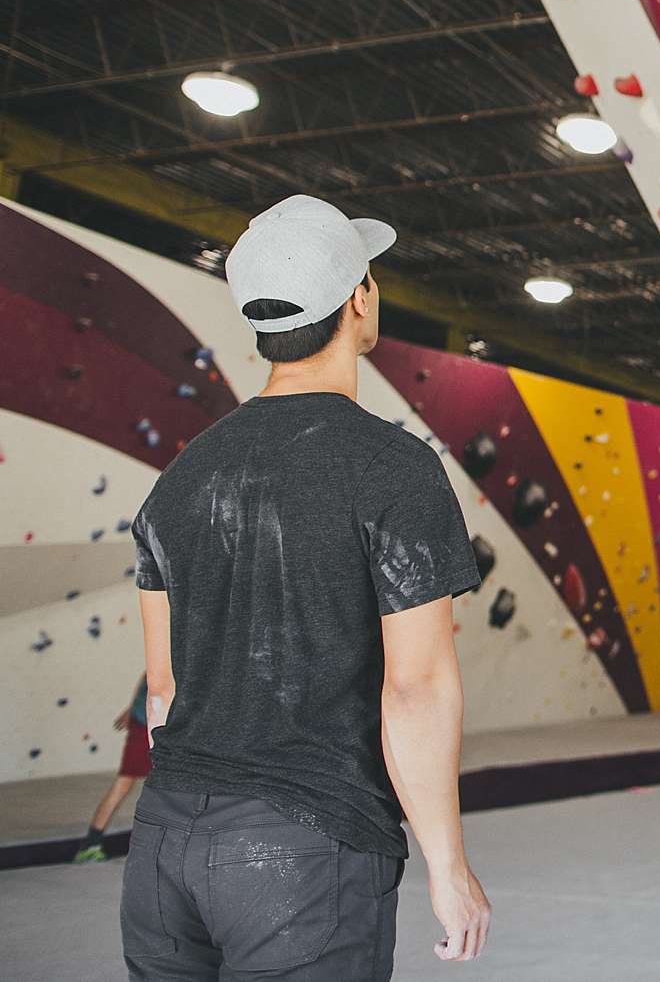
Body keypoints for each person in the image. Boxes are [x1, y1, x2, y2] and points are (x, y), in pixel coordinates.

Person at [124, 195, 492, 979]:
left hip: (163, 843)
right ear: (359, 299)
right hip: (304, 848)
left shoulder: (182, 476)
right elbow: (416, 687)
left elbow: (163, 687)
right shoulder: (393, 468)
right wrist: (448, 866)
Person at [72, 675, 152, 864]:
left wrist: (131, 708)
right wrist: (133, 708)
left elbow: (147, 676)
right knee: (125, 782)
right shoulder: (178, 650)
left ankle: (92, 842)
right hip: (148, 722)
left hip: (150, 720)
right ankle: (91, 844)